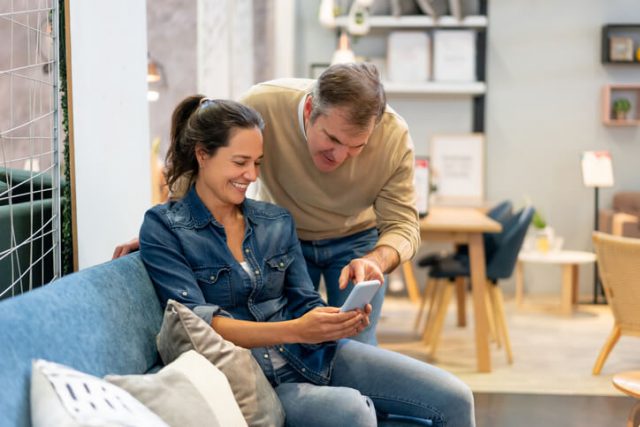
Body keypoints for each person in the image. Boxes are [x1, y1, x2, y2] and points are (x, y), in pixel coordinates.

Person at [139, 96, 474, 427]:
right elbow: (199, 325)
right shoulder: (164, 228)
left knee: (455, 397)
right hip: (255, 380)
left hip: (314, 354)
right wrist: (297, 330)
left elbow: (305, 301)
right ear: (202, 154)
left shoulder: (275, 221)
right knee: (352, 412)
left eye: (258, 162)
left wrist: (336, 321)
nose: (252, 175)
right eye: (240, 162)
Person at [115, 63, 420, 346]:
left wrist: (375, 261)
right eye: (332, 139)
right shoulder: (264, 104)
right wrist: (168, 230)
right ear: (310, 109)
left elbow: (404, 224)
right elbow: (209, 161)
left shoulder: (394, 136)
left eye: (356, 147)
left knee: (356, 347)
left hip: (357, 244)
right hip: (283, 243)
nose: (340, 157)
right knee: (295, 342)